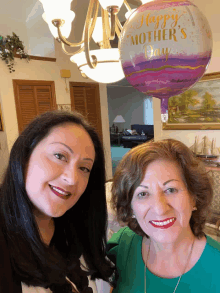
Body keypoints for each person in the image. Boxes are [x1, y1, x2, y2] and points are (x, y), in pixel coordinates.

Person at [0, 110, 114, 293]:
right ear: (24, 155)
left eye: (84, 168)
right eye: (60, 156)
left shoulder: (75, 228)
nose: (72, 179)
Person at [107, 138, 220, 292]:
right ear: (131, 208)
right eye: (143, 194)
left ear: (194, 197)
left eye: (171, 190)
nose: (160, 209)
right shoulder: (122, 246)